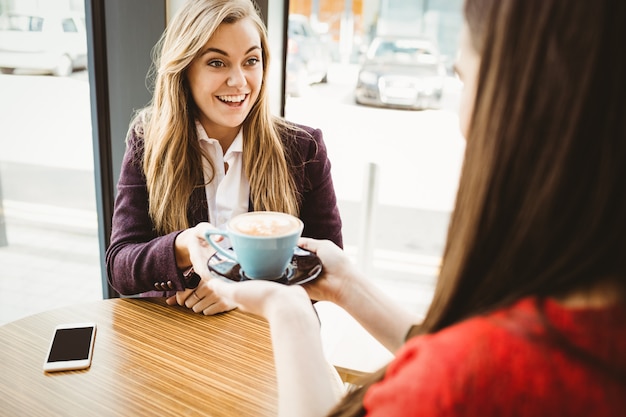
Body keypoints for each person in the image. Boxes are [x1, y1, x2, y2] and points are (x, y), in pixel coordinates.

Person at [206, 0, 626, 415]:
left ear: (519, 101)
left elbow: (461, 372)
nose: (461, 118)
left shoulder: (462, 384)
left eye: (462, 78)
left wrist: (289, 311)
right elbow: (452, 351)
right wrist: (346, 285)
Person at [105, 0, 343, 315]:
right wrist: (184, 247)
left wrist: (242, 294)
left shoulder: (304, 148)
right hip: (177, 341)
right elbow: (120, 266)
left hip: (271, 343)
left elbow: (327, 269)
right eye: (217, 63)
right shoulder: (148, 141)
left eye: (251, 61)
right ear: (184, 68)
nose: (239, 81)